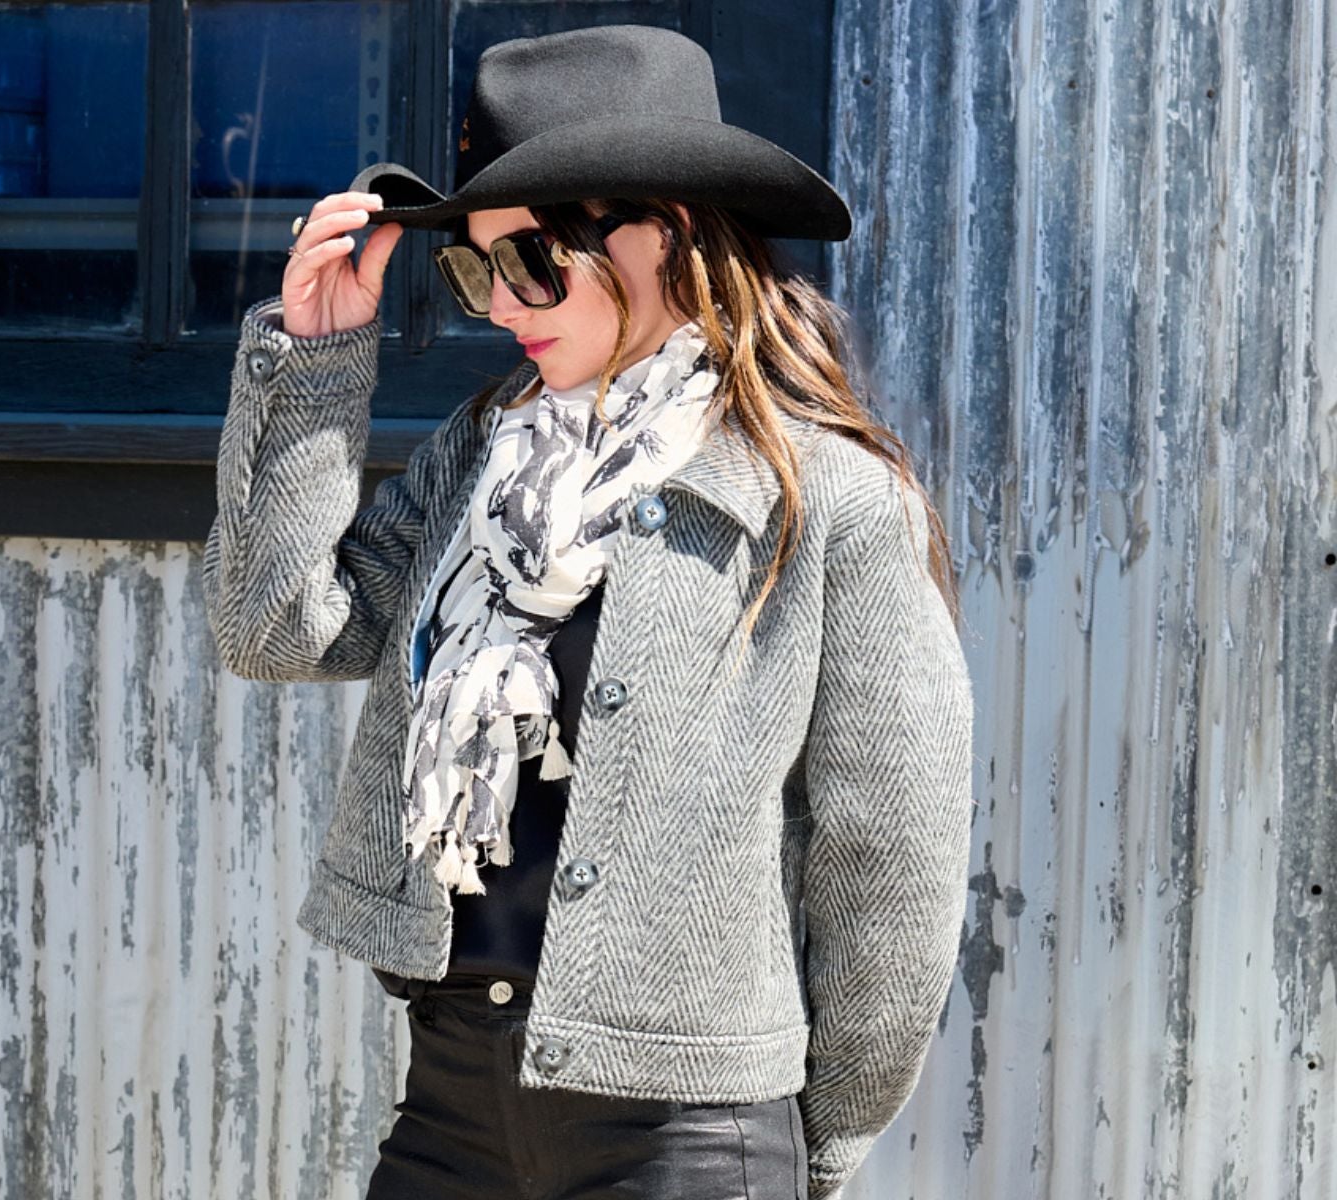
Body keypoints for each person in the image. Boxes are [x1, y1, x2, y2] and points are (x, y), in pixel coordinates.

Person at [204, 25, 973, 1200]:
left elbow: (889, 865)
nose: (500, 303)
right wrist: (316, 367)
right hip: (452, 1100)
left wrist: (808, 1148)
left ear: (657, 235)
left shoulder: (828, 501)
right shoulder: (483, 457)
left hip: (687, 1132)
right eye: (473, 268)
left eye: (531, 263)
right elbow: (278, 630)